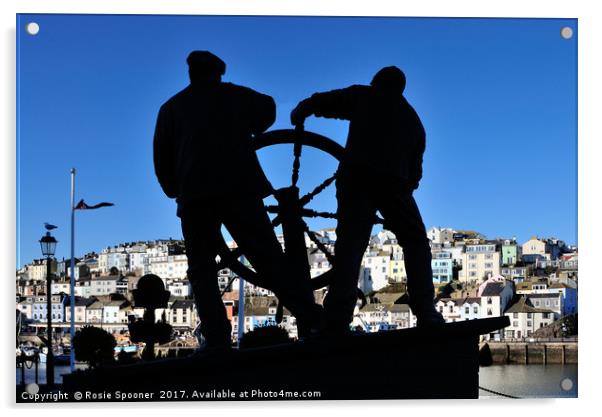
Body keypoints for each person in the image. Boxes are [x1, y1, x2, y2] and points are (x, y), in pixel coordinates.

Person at [154, 51, 321, 349]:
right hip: (239, 188)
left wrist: (175, 189)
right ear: (218, 73)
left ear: (191, 73)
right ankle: (311, 317)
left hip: (194, 197)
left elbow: (161, 162)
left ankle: (217, 337)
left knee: (202, 269)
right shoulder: (234, 96)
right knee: (268, 259)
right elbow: (268, 109)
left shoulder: (170, 109)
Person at [290, 66, 444, 332]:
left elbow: (325, 102)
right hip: (394, 187)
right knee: (417, 244)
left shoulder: (364, 96)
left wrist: (302, 109)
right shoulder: (413, 121)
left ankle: (337, 317)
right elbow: (415, 174)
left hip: (357, 180)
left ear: (376, 82)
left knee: (350, 247)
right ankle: (426, 311)